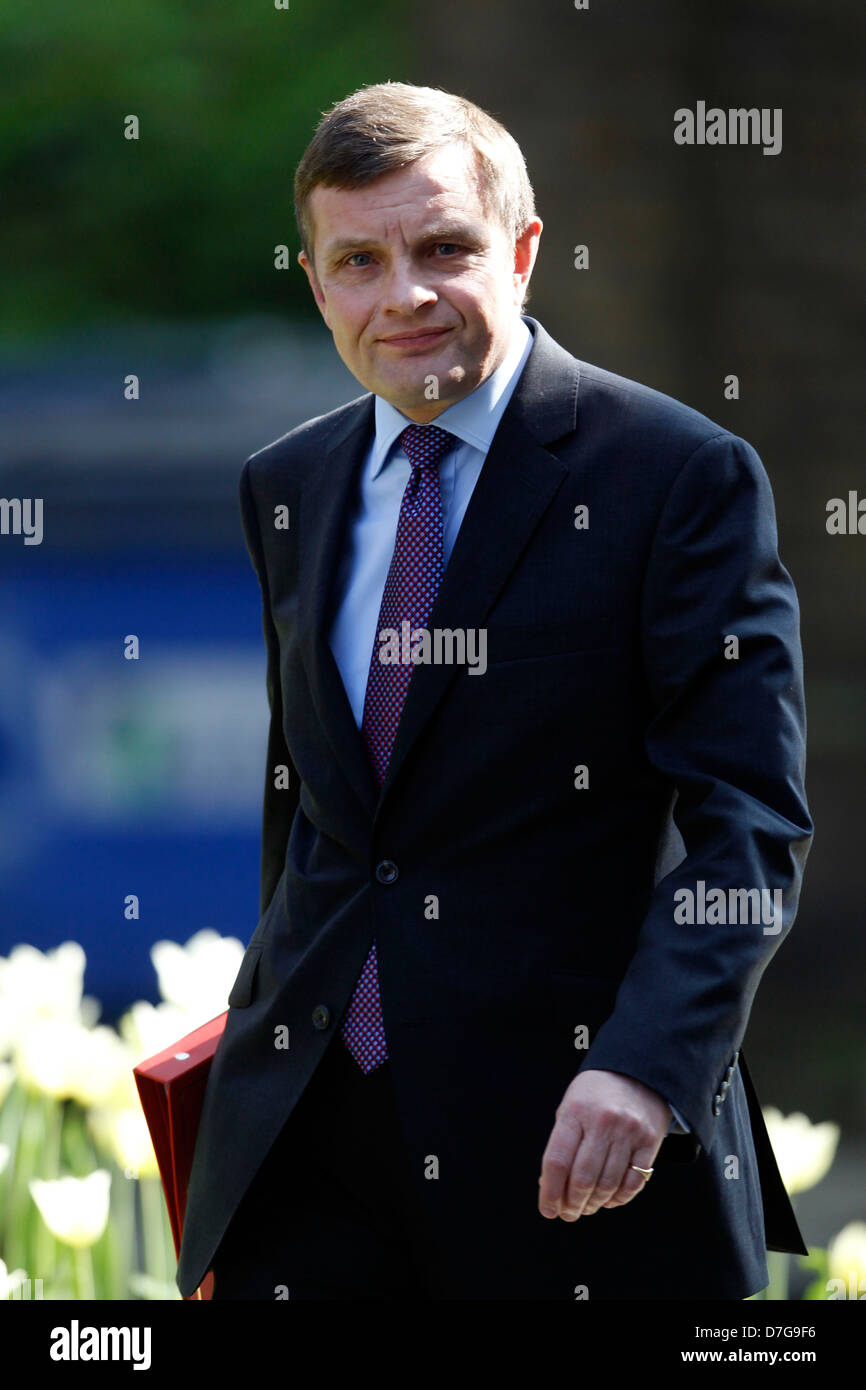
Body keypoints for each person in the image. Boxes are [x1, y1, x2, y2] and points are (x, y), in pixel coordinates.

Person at [176, 81, 812, 1301]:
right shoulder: (287, 483)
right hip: (309, 1154)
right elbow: (314, 814)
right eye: (356, 260)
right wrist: (236, 1102)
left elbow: (749, 822)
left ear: (521, 251)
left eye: (443, 248)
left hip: (571, 1148)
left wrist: (645, 1063)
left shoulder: (674, 475)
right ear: (316, 285)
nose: (401, 294)